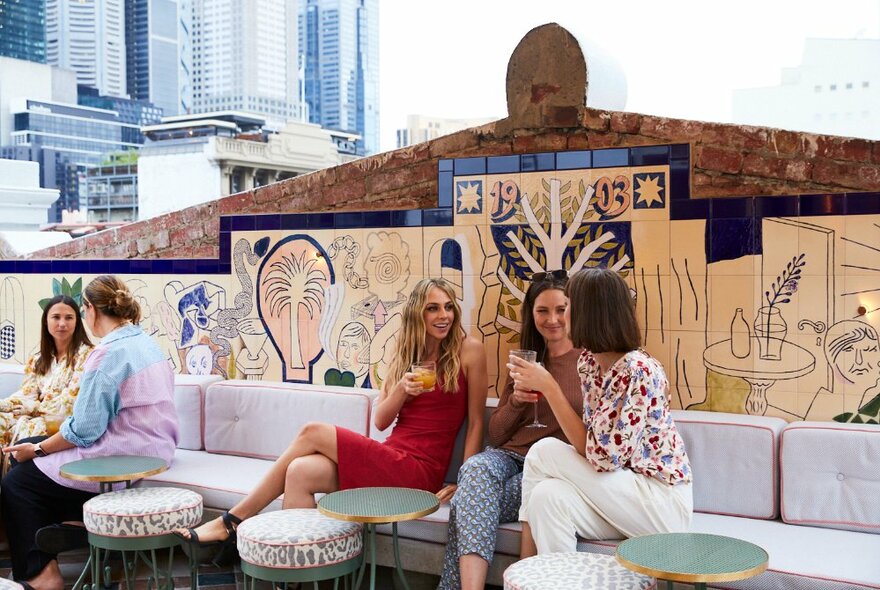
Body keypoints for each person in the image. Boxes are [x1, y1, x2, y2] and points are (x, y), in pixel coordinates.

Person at [176, 278, 488, 560]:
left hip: (419, 470)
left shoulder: (469, 350)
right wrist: (402, 391)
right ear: (417, 314)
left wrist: (465, 480)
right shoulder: (407, 352)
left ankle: (231, 521)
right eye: (433, 308)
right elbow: (381, 421)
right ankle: (299, 573)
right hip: (394, 456)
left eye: (448, 307)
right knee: (300, 472)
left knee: (312, 431)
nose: (443, 315)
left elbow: (476, 422)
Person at [1, 275, 178, 590]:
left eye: (79, 312)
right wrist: (35, 446)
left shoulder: (106, 355)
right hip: (157, 449)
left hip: (119, 457)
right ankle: (76, 520)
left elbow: (83, 430)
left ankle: (42, 575)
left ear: (91, 310)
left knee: (17, 481)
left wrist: (38, 451)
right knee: (26, 447)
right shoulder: (147, 343)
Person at [509, 268, 692, 556]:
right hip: (620, 498)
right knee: (547, 496)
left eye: (567, 306)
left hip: (660, 504)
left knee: (543, 450)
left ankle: (523, 568)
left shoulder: (637, 370)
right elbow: (593, 445)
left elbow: (602, 458)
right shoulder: (590, 363)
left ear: (589, 313)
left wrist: (550, 388)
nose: (562, 316)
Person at [438, 270, 583, 590]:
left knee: (466, 502)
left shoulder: (589, 361)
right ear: (531, 315)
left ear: (574, 309)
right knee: (475, 467)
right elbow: (499, 435)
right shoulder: (527, 358)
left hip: (549, 470)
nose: (553, 319)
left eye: (561, 309)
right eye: (542, 311)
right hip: (510, 457)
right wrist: (517, 401)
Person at [0, 295, 92, 453]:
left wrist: (31, 409)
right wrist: (5, 405)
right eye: (56, 317)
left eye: (69, 318)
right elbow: (26, 394)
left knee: (34, 427)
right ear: (46, 321)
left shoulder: (87, 356)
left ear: (77, 322)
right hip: (34, 416)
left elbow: (69, 403)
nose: (62, 323)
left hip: (61, 424)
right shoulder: (37, 359)